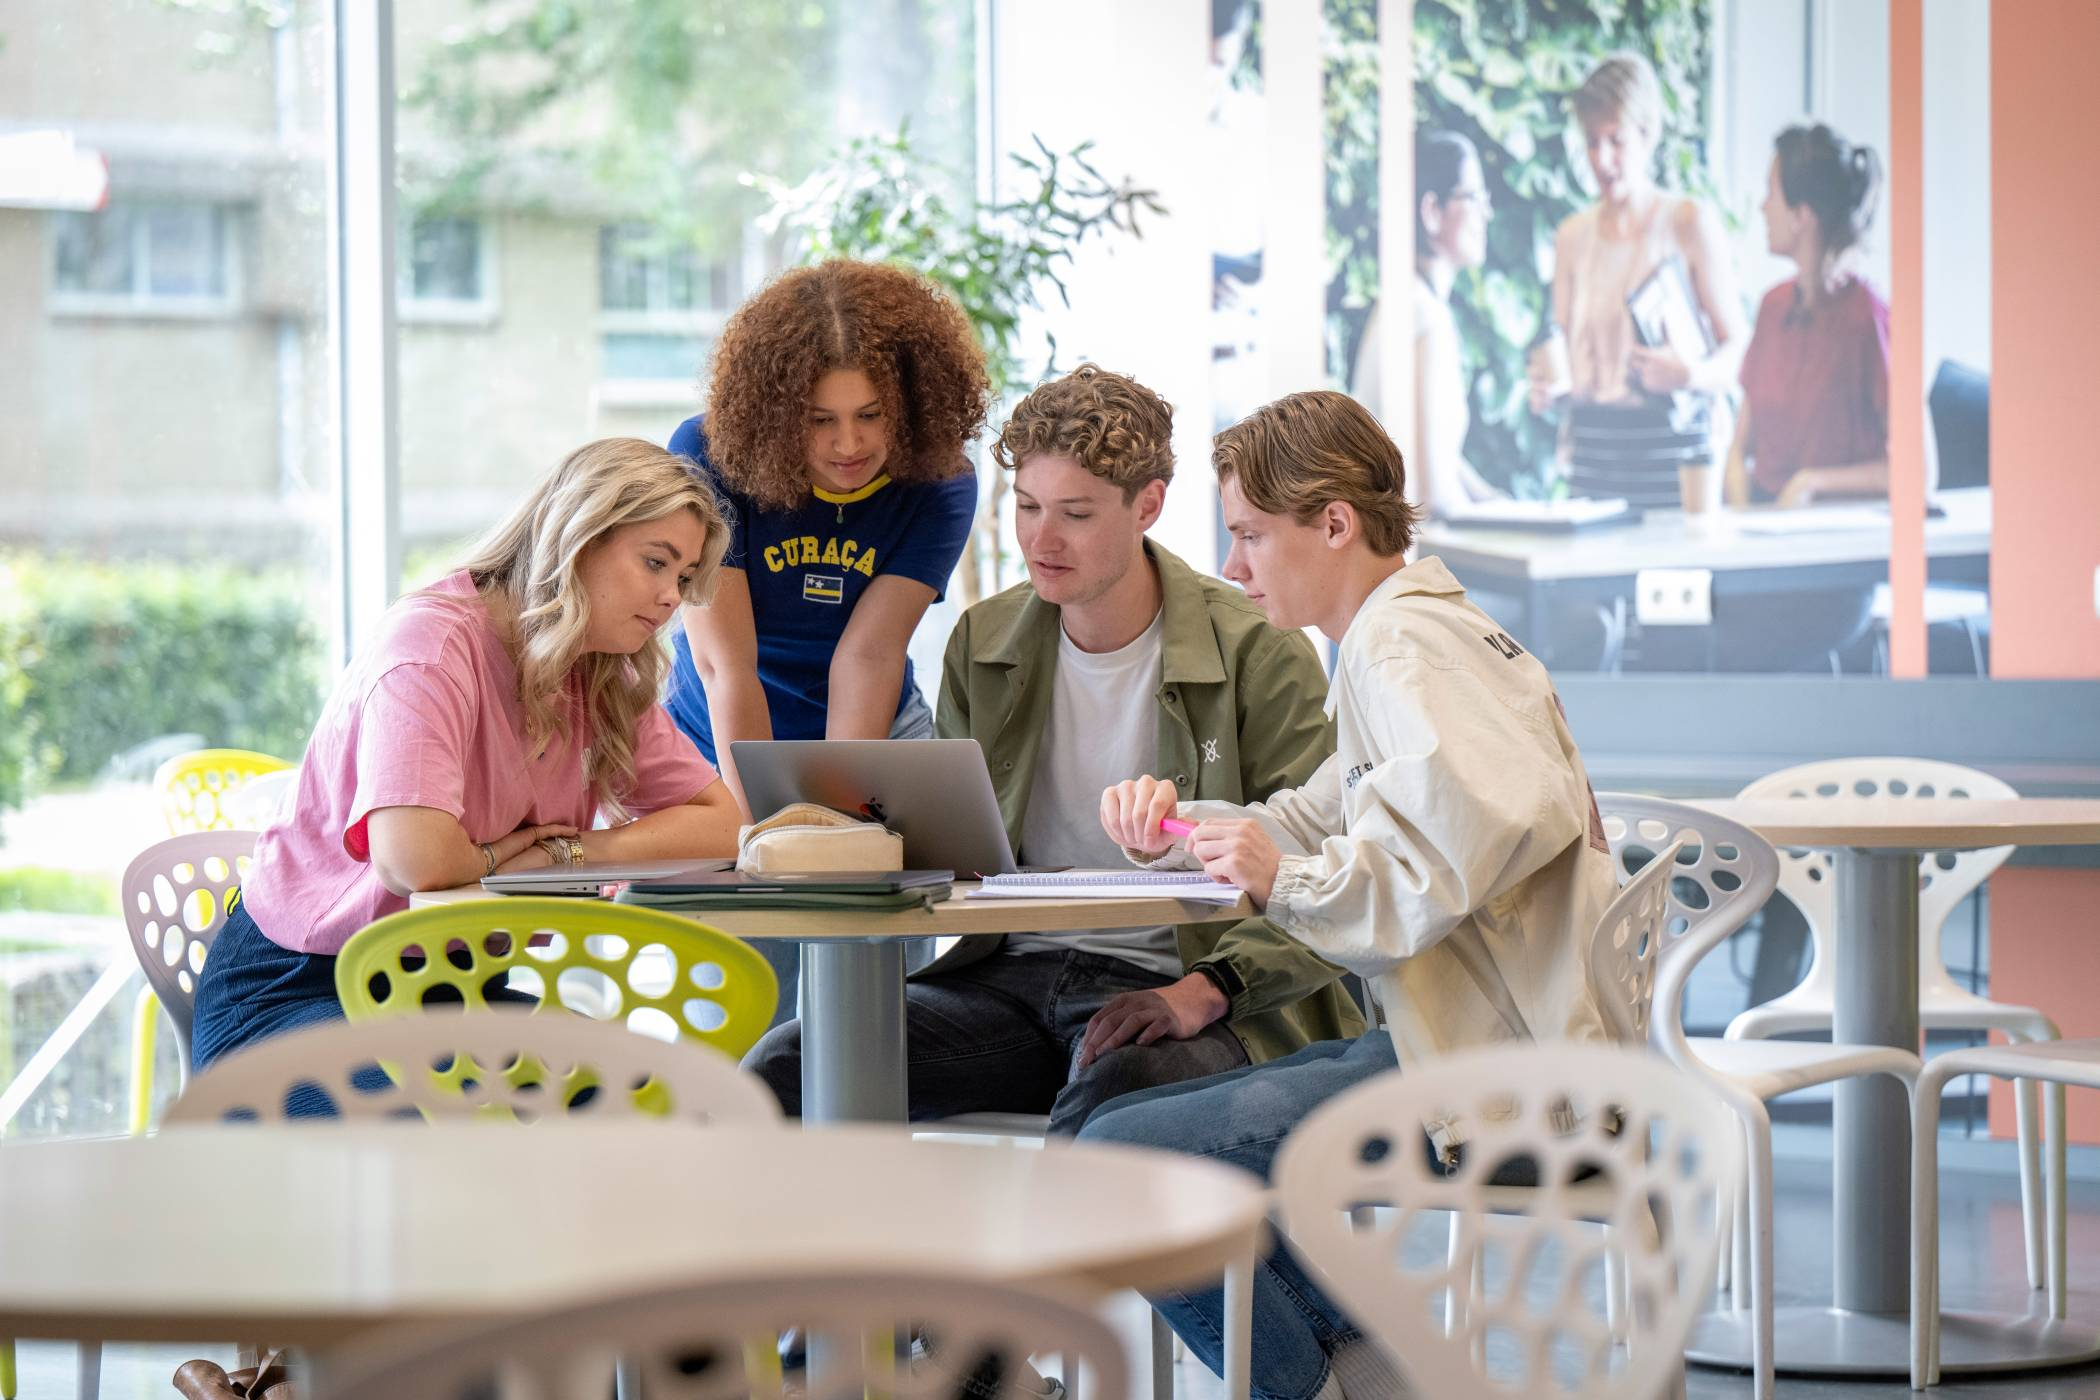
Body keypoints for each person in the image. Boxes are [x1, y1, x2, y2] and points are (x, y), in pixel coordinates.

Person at [1076, 391, 1615, 1400]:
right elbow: (1323, 818)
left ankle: (1322, 1385)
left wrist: (1282, 879)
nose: (1233, 566)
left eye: (1248, 533)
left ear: (1333, 521)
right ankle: (1362, 1376)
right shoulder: (1410, 635)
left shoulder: (1402, 649)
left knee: (1122, 1154)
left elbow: (1462, 844)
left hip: (1489, 1075)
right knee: (1169, 1140)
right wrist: (1183, 830)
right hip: (1475, 1047)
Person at [743, 366, 1363, 1135]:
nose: (1041, 539)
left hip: (1187, 983)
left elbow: (1333, 873)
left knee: (1121, 1100)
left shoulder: (1258, 647)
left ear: (1148, 505)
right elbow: (951, 853)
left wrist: (1202, 992)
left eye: (1074, 513)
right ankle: (851, 1261)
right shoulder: (983, 641)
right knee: (784, 1071)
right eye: (1028, 507)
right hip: (1005, 982)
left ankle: (1043, 1261)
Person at [190, 439, 745, 1073]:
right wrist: (502, 858)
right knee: (417, 1135)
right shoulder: (431, 646)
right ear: (578, 538)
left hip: (450, 990)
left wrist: (565, 854)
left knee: (636, 1100)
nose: (673, 597)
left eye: (682, 577)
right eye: (655, 563)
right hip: (307, 984)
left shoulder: (597, 668)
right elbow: (417, 862)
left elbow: (721, 823)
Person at [664, 258, 992, 1019]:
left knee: (874, 979)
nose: (850, 444)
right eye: (820, 419)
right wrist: (765, 841)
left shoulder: (942, 479)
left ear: (909, 406)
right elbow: (724, 665)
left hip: (870, 726)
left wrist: (840, 833)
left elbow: (869, 655)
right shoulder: (707, 456)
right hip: (722, 725)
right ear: (777, 416)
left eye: (872, 414)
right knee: (751, 979)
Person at [1530, 52, 1748, 513]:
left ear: (1648, 136)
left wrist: (1688, 374)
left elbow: (1739, 352)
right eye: (1592, 142)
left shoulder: (1688, 222)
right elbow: (1566, 361)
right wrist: (1550, 388)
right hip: (1594, 462)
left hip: (1676, 464)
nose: (1602, 159)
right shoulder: (1572, 237)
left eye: (1616, 140)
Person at [1728, 123, 1892, 509]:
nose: (1762, 207)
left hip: (1833, 538)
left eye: (1771, 193)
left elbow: (1917, 469)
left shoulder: (1867, 318)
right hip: (1759, 528)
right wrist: (1739, 518)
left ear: (1802, 216)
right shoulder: (1772, 308)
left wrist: (1812, 483)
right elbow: (1738, 450)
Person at [1349, 129, 1504, 516]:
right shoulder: (1426, 319)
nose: (1487, 212)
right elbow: (1436, 494)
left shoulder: (1407, 302)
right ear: (1432, 211)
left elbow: (1438, 453)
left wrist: (1495, 500)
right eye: (1473, 197)